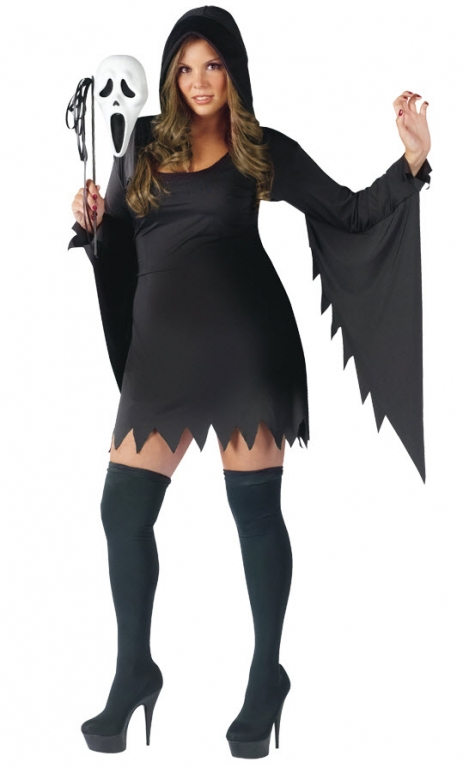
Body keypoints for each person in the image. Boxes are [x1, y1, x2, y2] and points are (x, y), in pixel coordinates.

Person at [68, 4, 431, 757]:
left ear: (233, 71)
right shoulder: (140, 144)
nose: (200, 82)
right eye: (186, 68)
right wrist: (93, 222)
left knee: (254, 514)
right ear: (170, 75)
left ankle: (266, 677)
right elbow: (124, 241)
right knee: (121, 512)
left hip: (247, 346)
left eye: (213, 66)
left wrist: (411, 163)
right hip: (161, 357)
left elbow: (349, 213)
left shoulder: (259, 148)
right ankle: (134, 672)